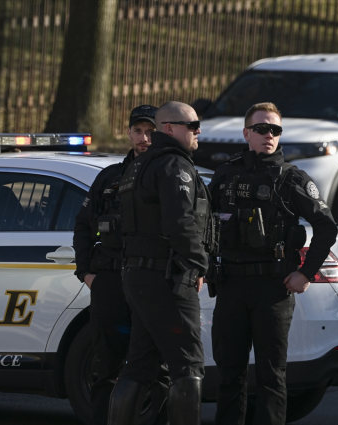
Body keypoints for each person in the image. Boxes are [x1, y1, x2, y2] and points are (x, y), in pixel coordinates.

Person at [207, 102, 338, 425]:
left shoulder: (291, 178)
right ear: (246, 133)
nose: (269, 135)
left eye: (275, 130)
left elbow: (326, 227)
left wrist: (306, 273)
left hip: (273, 288)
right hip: (232, 286)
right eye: (262, 129)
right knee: (229, 375)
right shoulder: (225, 176)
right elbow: (202, 224)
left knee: (271, 376)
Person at [108, 101, 213, 425]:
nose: (198, 131)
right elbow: (179, 223)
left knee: (139, 365)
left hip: (140, 276)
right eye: (192, 125)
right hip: (165, 278)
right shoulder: (173, 165)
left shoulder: (139, 166)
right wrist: (199, 264)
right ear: (169, 128)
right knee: (188, 366)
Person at [73, 104, 157, 425]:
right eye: (138, 131)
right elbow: (83, 225)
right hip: (109, 280)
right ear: (129, 133)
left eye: (150, 132)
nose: (144, 138)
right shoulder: (108, 177)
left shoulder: (166, 174)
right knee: (106, 364)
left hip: (149, 280)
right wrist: (86, 272)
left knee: (152, 365)